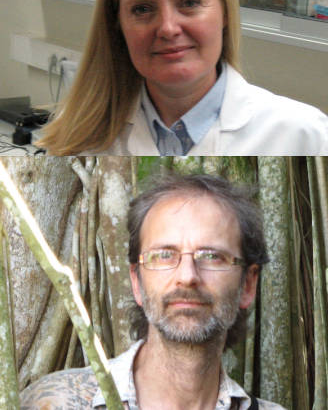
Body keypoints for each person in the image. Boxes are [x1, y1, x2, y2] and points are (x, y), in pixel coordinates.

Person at [37, 0, 328, 156]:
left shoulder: (299, 134)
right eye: (142, 9)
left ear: (225, 14)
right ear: (117, 26)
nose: (168, 28)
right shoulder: (78, 136)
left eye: (189, 3)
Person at [20, 174, 285, 410]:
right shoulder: (54, 402)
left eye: (212, 256)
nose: (187, 277)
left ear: (248, 285)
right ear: (136, 281)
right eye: (164, 255)